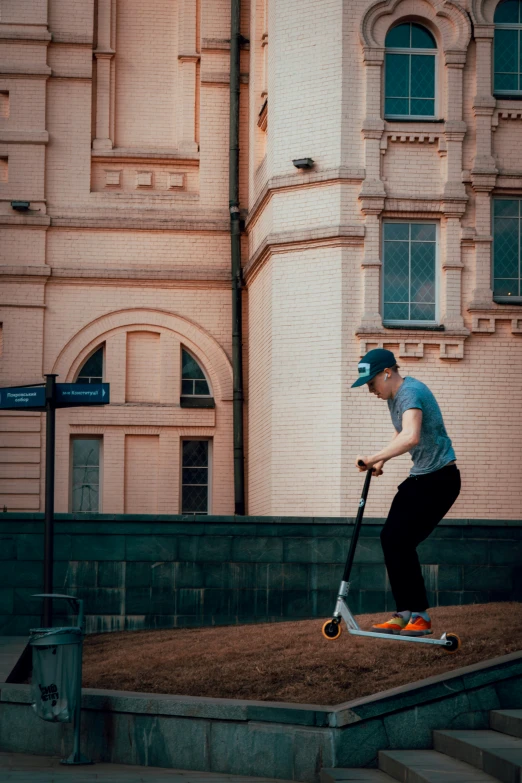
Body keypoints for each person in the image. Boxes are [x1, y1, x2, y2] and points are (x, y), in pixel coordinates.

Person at [351, 348, 461, 637]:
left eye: (371, 384)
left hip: (440, 480)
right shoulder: (397, 396)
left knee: (400, 539)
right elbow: (403, 433)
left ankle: (420, 616)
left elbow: (411, 436)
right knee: (392, 538)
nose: (370, 391)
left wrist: (373, 457)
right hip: (424, 478)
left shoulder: (410, 393)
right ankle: (404, 614)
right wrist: (383, 460)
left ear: (387, 373)